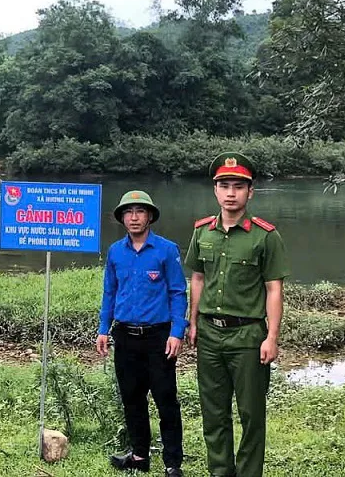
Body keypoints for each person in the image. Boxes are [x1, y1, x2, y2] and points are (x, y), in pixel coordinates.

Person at [185, 153, 290, 477]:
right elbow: (198, 278)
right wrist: (192, 322)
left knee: (251, 414)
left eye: (238, 186)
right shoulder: (202, 232)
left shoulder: (265, 236)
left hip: (247, 337)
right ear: (215, 190)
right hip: (209, 335)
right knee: (213, 413)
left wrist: (272, 337)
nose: (231, 193)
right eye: (224, 186)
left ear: (250, 192)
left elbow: (273, 289)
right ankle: (220, 472)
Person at [97, 190, 188, 477]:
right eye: (128, 212)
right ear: (122, 218)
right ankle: (139, 455)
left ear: (149, 216)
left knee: (165, 399)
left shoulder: (166, 250)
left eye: (140, 211)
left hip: (158, 337)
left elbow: (178, 292)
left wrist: (177, 332)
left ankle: (172, 463)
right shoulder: (116, 251)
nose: (134, 217)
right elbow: (110, 292)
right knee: (132, 398)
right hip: (125, 336)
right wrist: (103, 329)